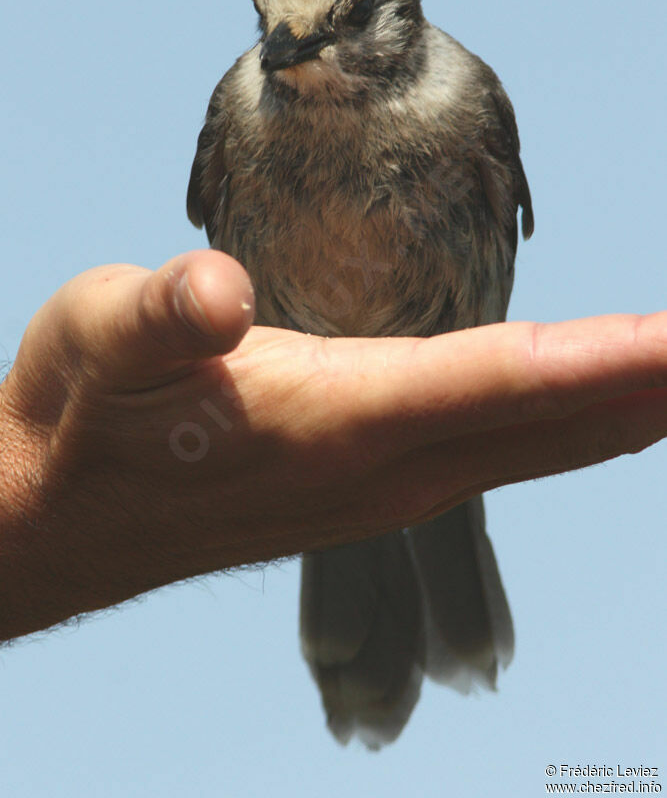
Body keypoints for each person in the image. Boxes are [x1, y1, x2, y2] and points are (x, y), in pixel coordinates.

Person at [0, 248, 665, 643]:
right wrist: (40, 516)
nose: (292, 49)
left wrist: (54, 529)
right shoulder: (241, 116)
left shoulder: (471, 106)